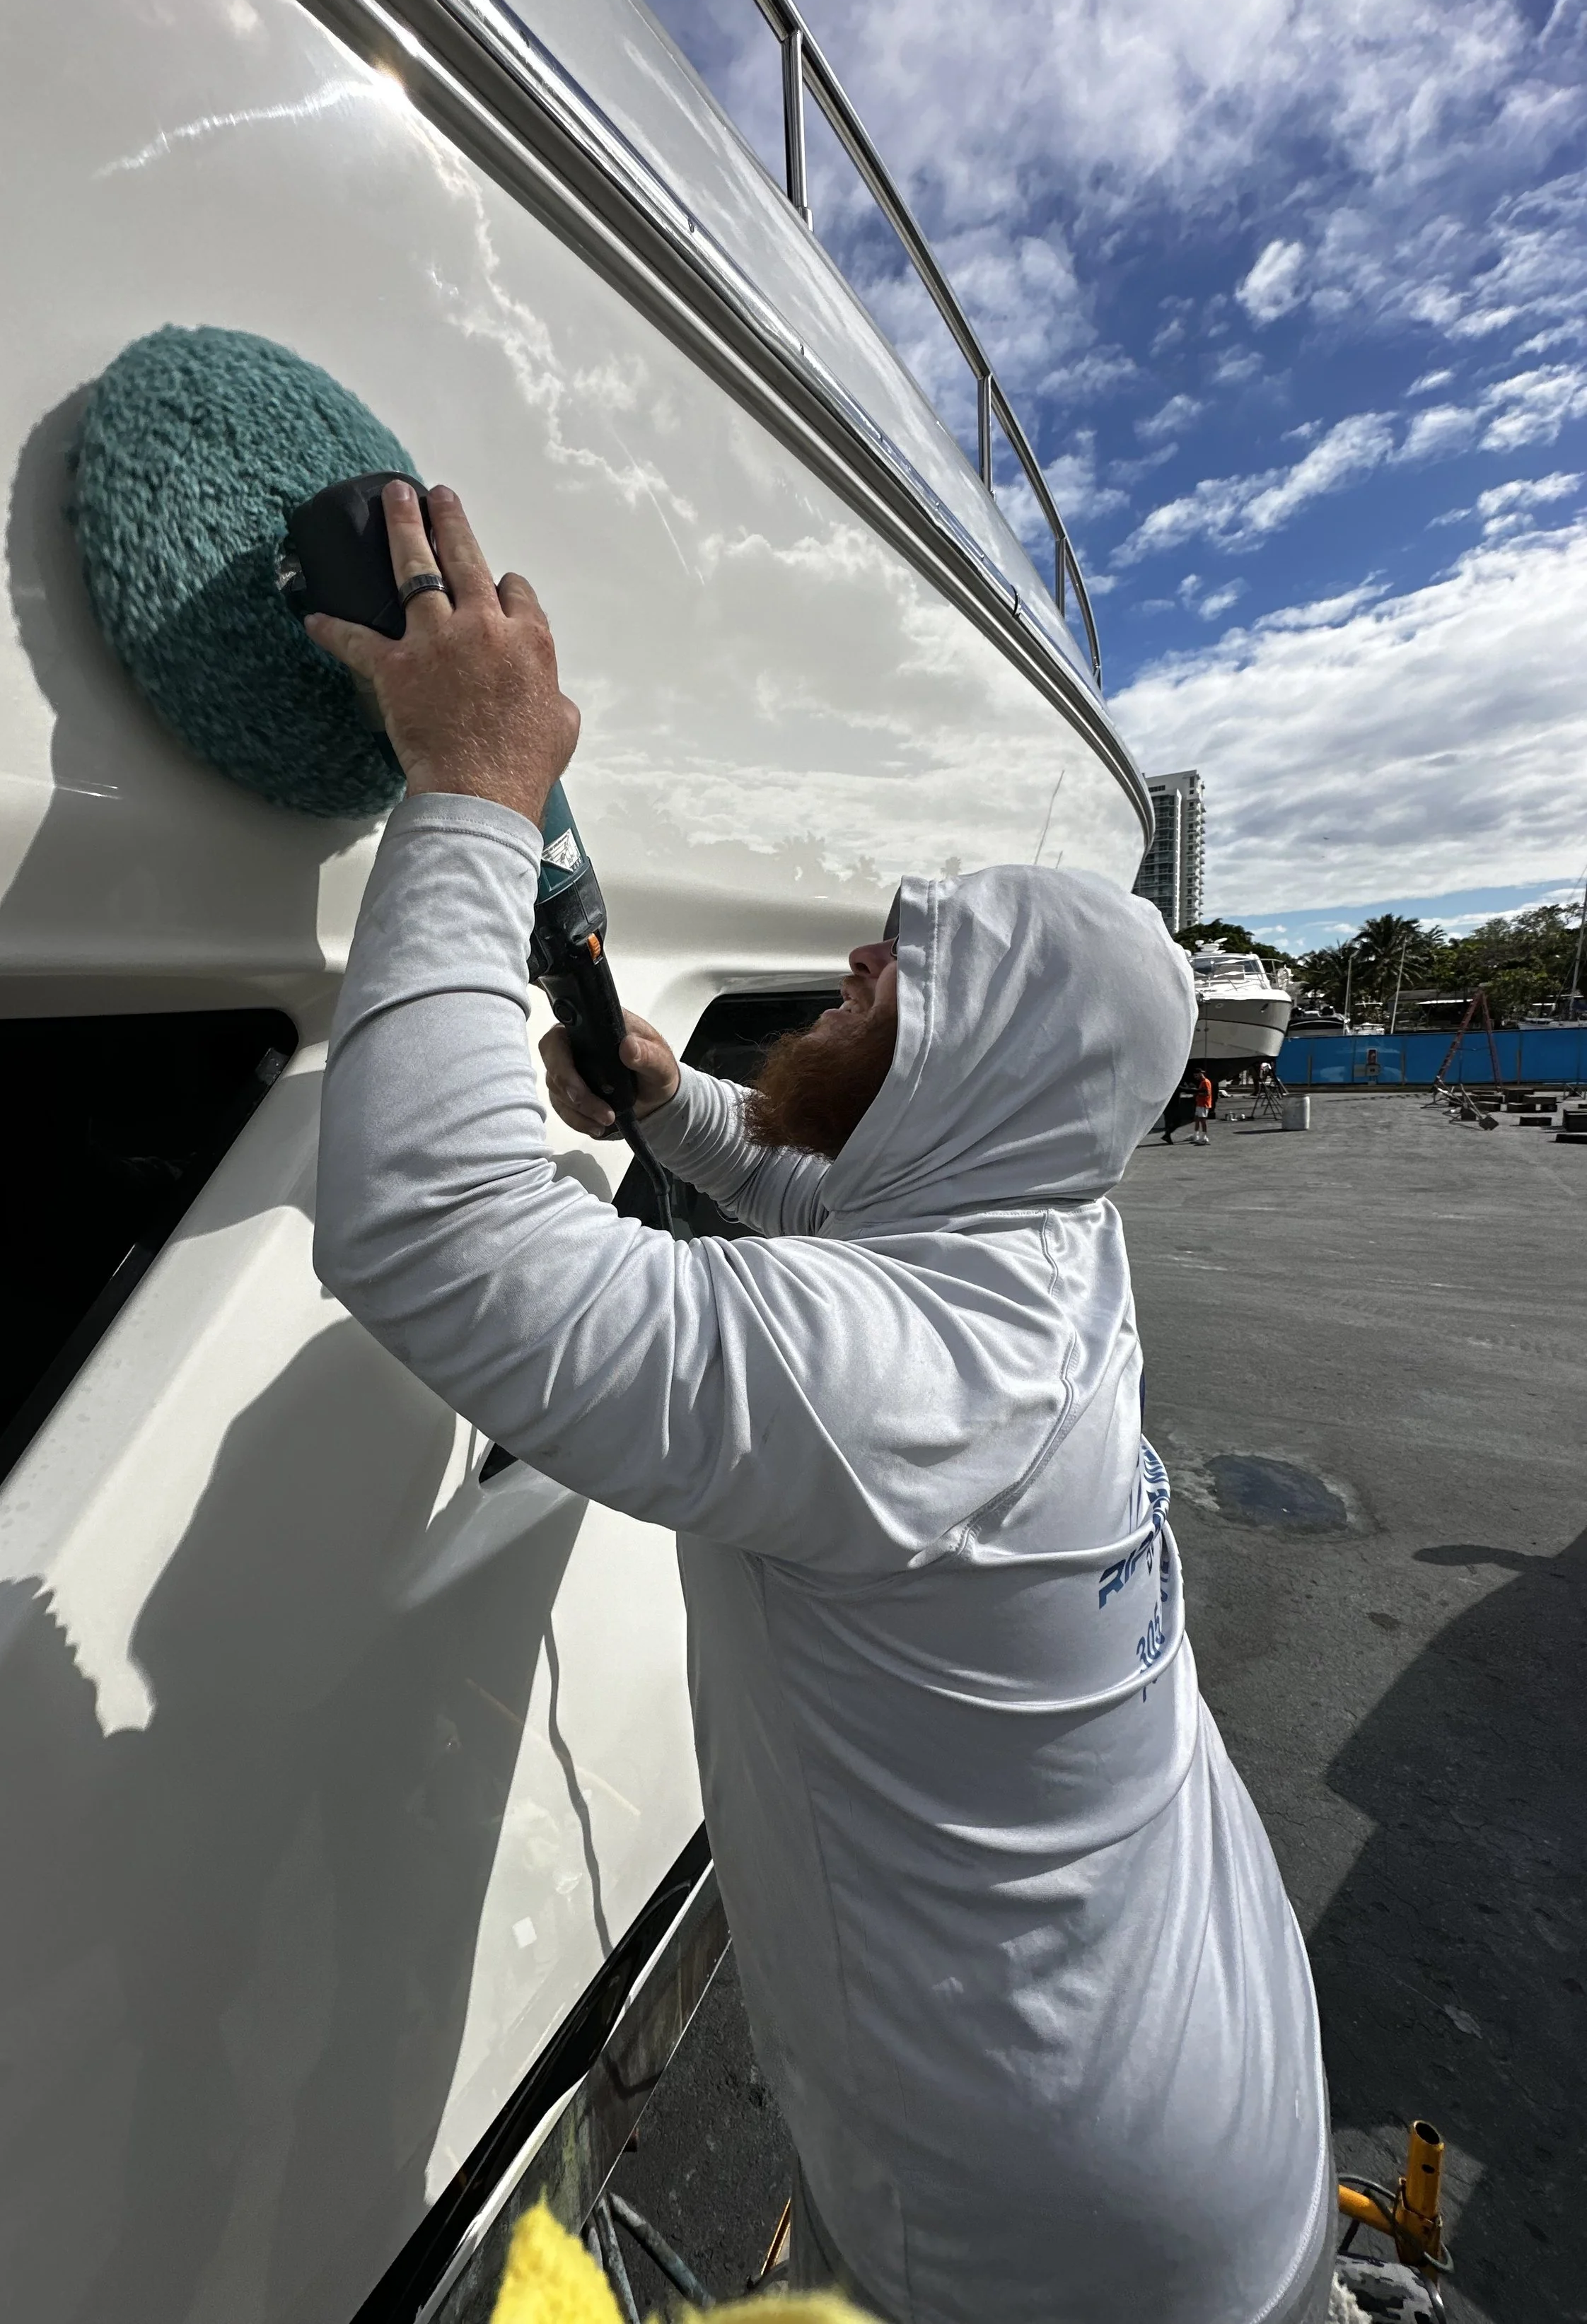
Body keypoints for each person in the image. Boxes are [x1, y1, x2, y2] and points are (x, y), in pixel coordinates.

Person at [310, 483, 1335, 2324]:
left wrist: (470, 788)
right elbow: (844, 1198)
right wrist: (669, 1103)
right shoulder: (1052, 1257)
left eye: (906, 971)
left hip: (1061, 2231)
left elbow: (430, 1235)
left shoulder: (909, 1377)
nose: (860, 960)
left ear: (987, 1073)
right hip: (1199, 2096)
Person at [1192, 1065, 1214, 1144]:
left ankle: (1205, 1136)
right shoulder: (1202, 1082)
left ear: (1200, 1074)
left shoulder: (1205, 1082)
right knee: (1197, 1118)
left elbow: (1207, 1093)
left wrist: (1197, 1093)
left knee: (1203, 1120)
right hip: (1200, 1103)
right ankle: (1196, 1134)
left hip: (1204, 1104)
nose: (1196, 1077)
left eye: (1196, 1075)